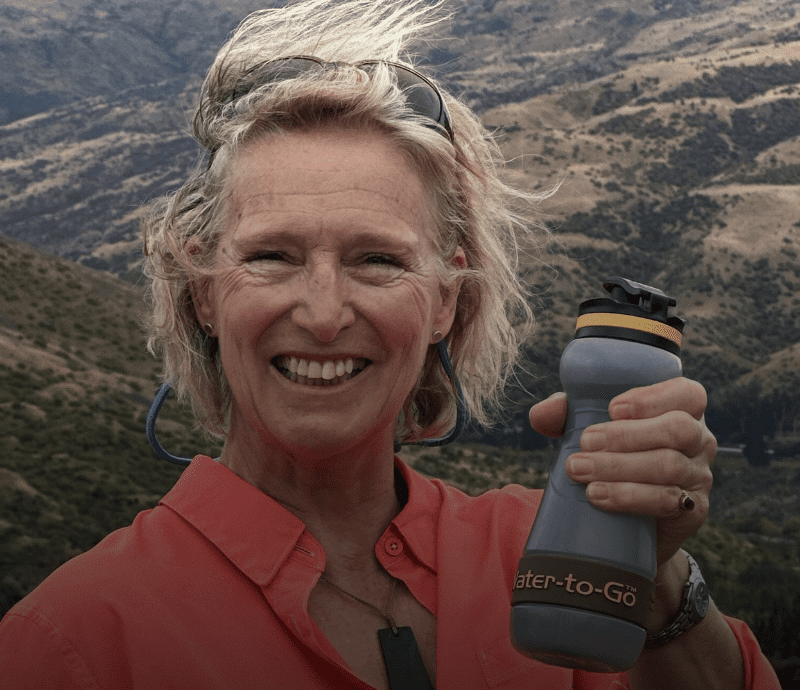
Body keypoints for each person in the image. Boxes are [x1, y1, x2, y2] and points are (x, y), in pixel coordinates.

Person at [0, 1, 780, 688]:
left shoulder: (549, 559)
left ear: (446, 297)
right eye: (272, 256)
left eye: (379, 260)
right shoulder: (73, 642)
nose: (326, 313)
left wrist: (654, 579)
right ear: (201, 288)